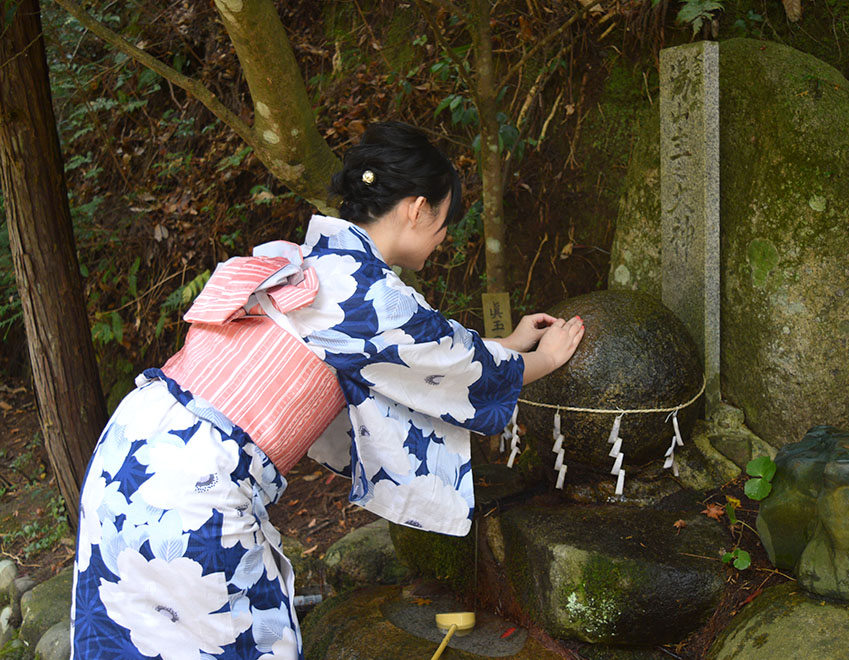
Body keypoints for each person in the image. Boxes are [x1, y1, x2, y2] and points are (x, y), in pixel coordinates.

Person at [70, 121, 585, 660]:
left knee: (134, 632)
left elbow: (415, 360)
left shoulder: (320, 267)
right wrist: (543, 359)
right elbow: (456, 367)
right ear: (416, 208)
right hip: (193, 483)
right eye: (445, 219)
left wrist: (507, 344)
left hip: (132, 454)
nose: (446, 235)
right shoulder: (364, 293)